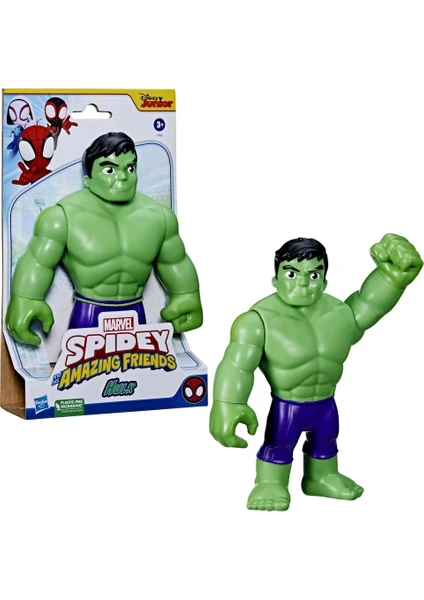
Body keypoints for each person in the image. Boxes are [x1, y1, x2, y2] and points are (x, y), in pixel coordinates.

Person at [210, 235, 422, 511]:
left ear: (324, 281)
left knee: (326, 440)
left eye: (313, 274)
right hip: (287, 406)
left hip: (326, 404)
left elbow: (370, 304)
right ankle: (270, 483)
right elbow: (237, 364)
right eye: (291, 273)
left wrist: (392, 278)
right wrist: (228, 403)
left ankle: (321, 478)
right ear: (275, 279)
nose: (303, 282)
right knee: (278, 444)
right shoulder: (258, 321)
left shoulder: (339, 314)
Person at [6, 132, 203, 344]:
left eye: (130, 168)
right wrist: (25, 299)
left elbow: (174, 261)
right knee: (81, 366)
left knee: (139, 365)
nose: (123, 177)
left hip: (135, 312)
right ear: (88, 179)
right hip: (89, 312)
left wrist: (186, 295)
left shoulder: (159, 217)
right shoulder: (62, 218)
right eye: (110, 169)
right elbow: (38, 262)